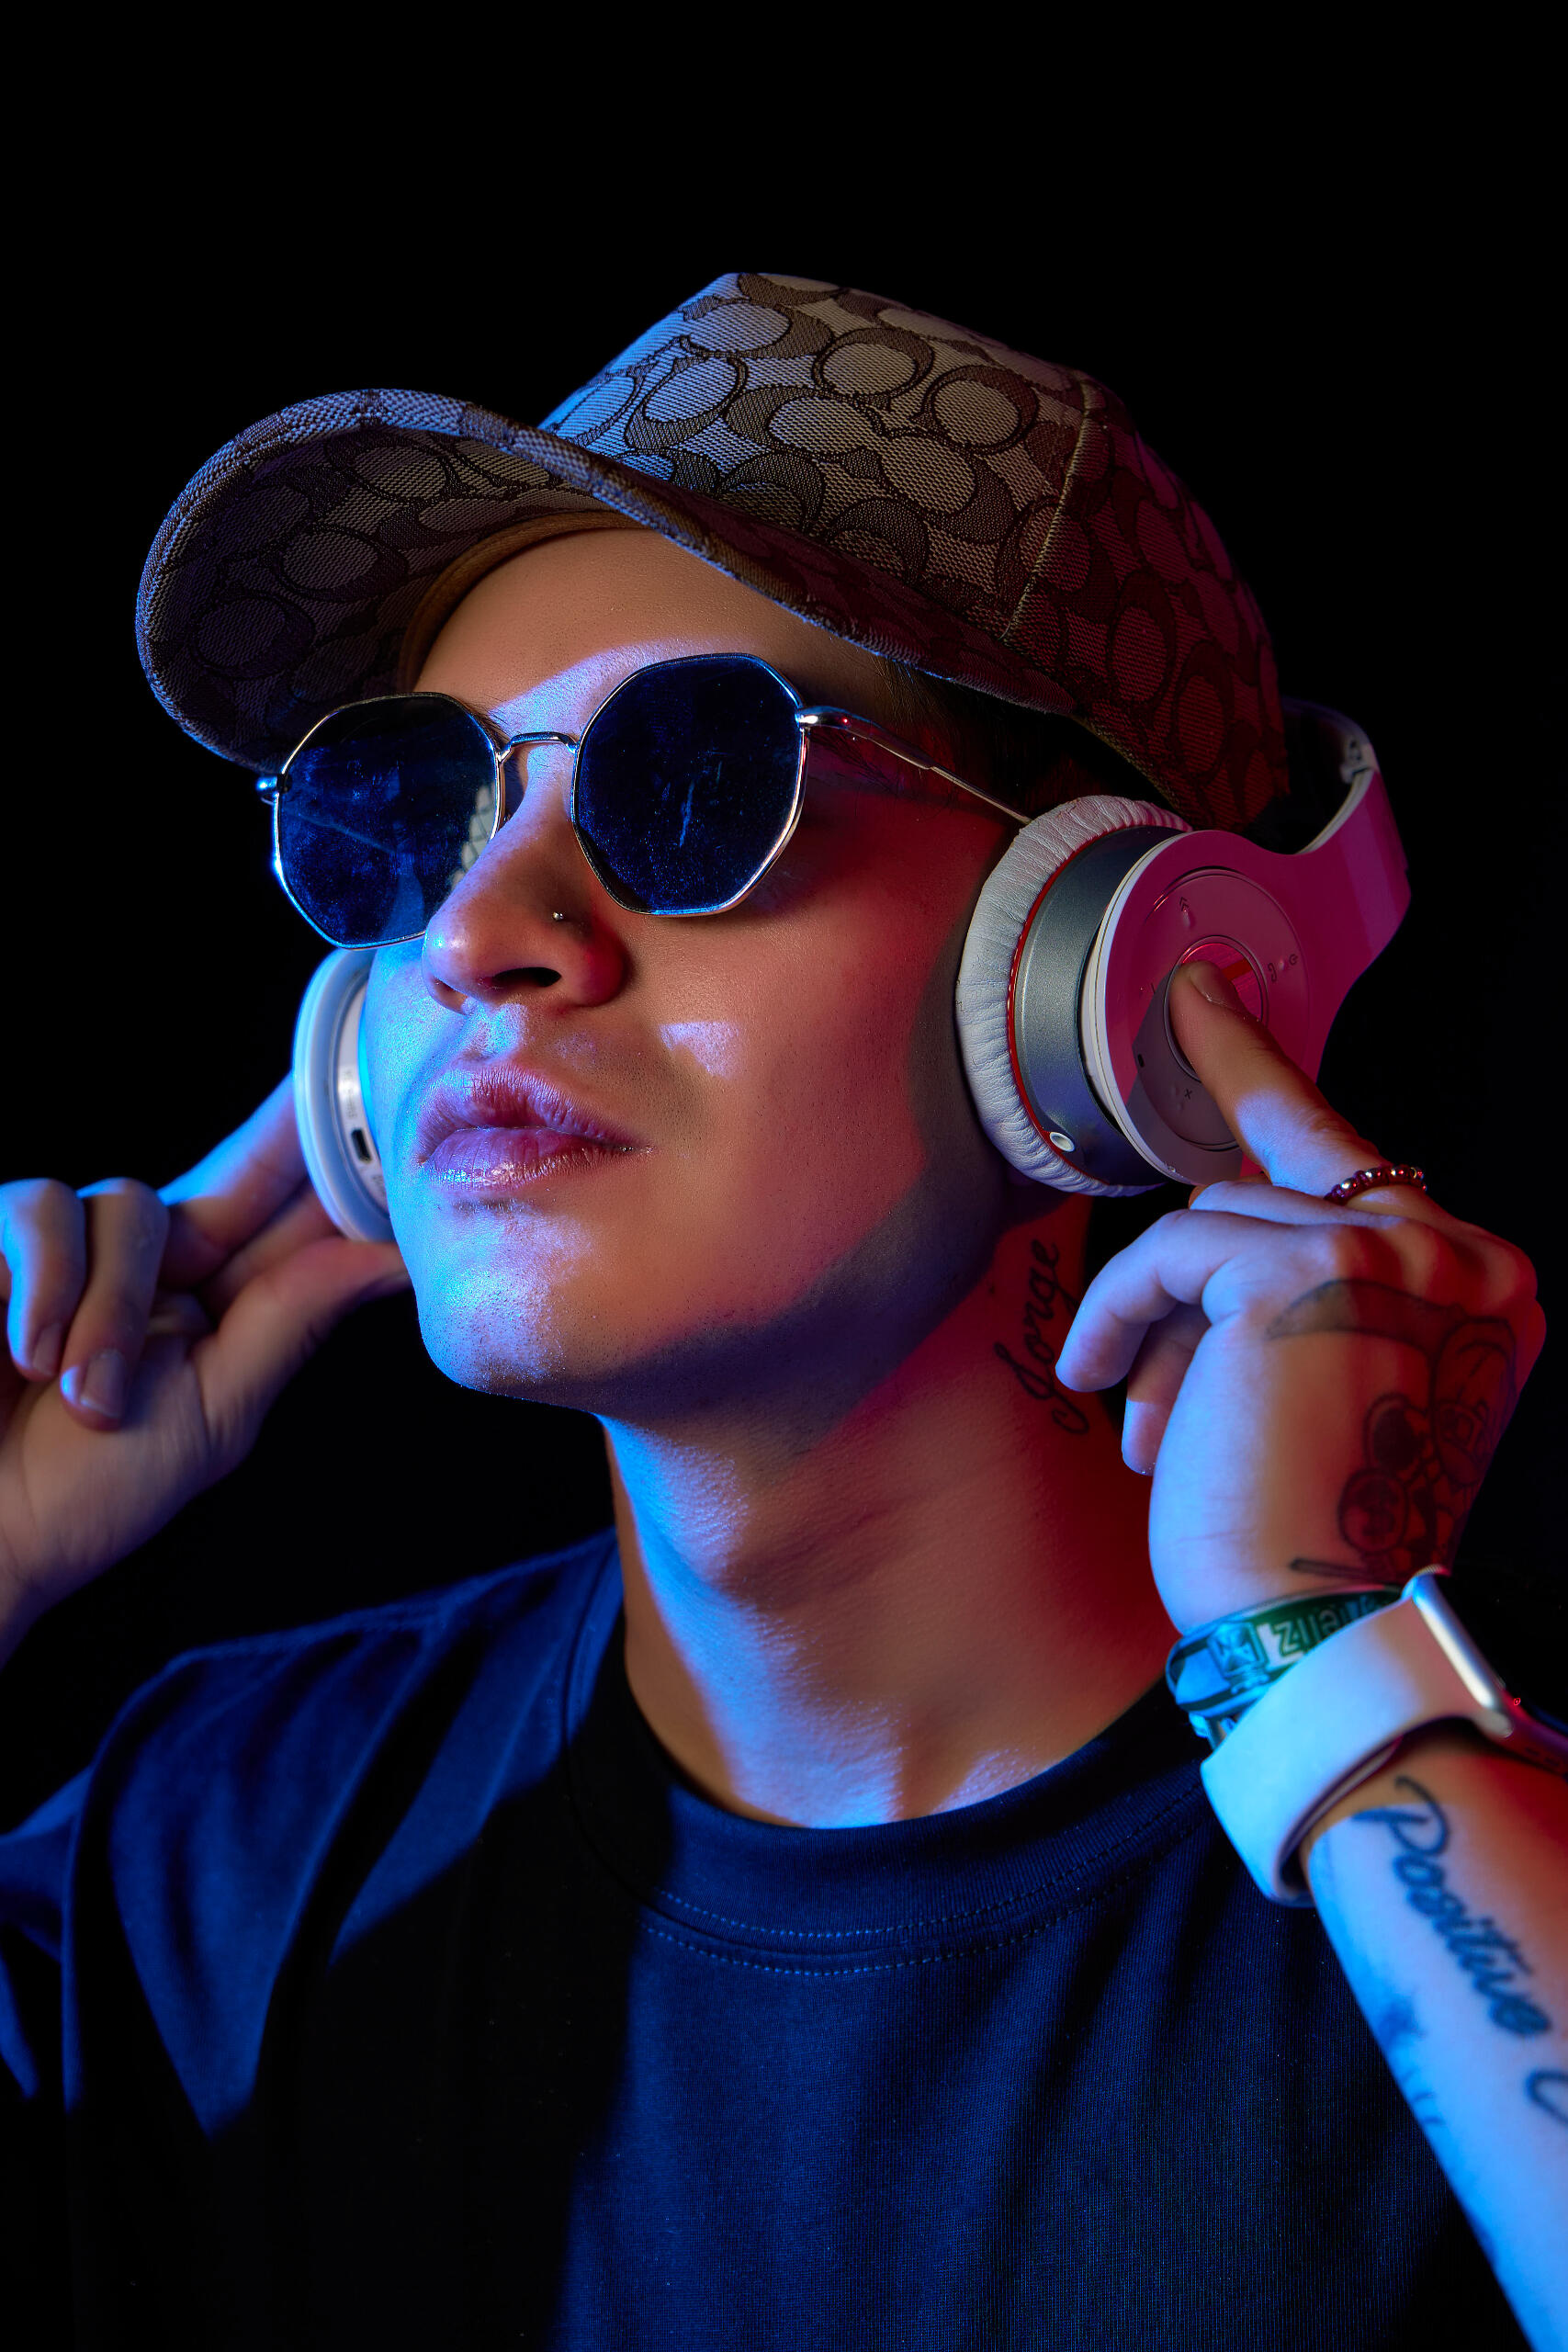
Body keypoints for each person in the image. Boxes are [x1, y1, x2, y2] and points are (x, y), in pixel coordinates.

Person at [2, 274, 1562, 2349]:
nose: (478, 931)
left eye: (691, 781)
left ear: (1108, 979)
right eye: (428, 805)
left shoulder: (1478, 1850)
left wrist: (1325, 1666)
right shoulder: (207, 1852)